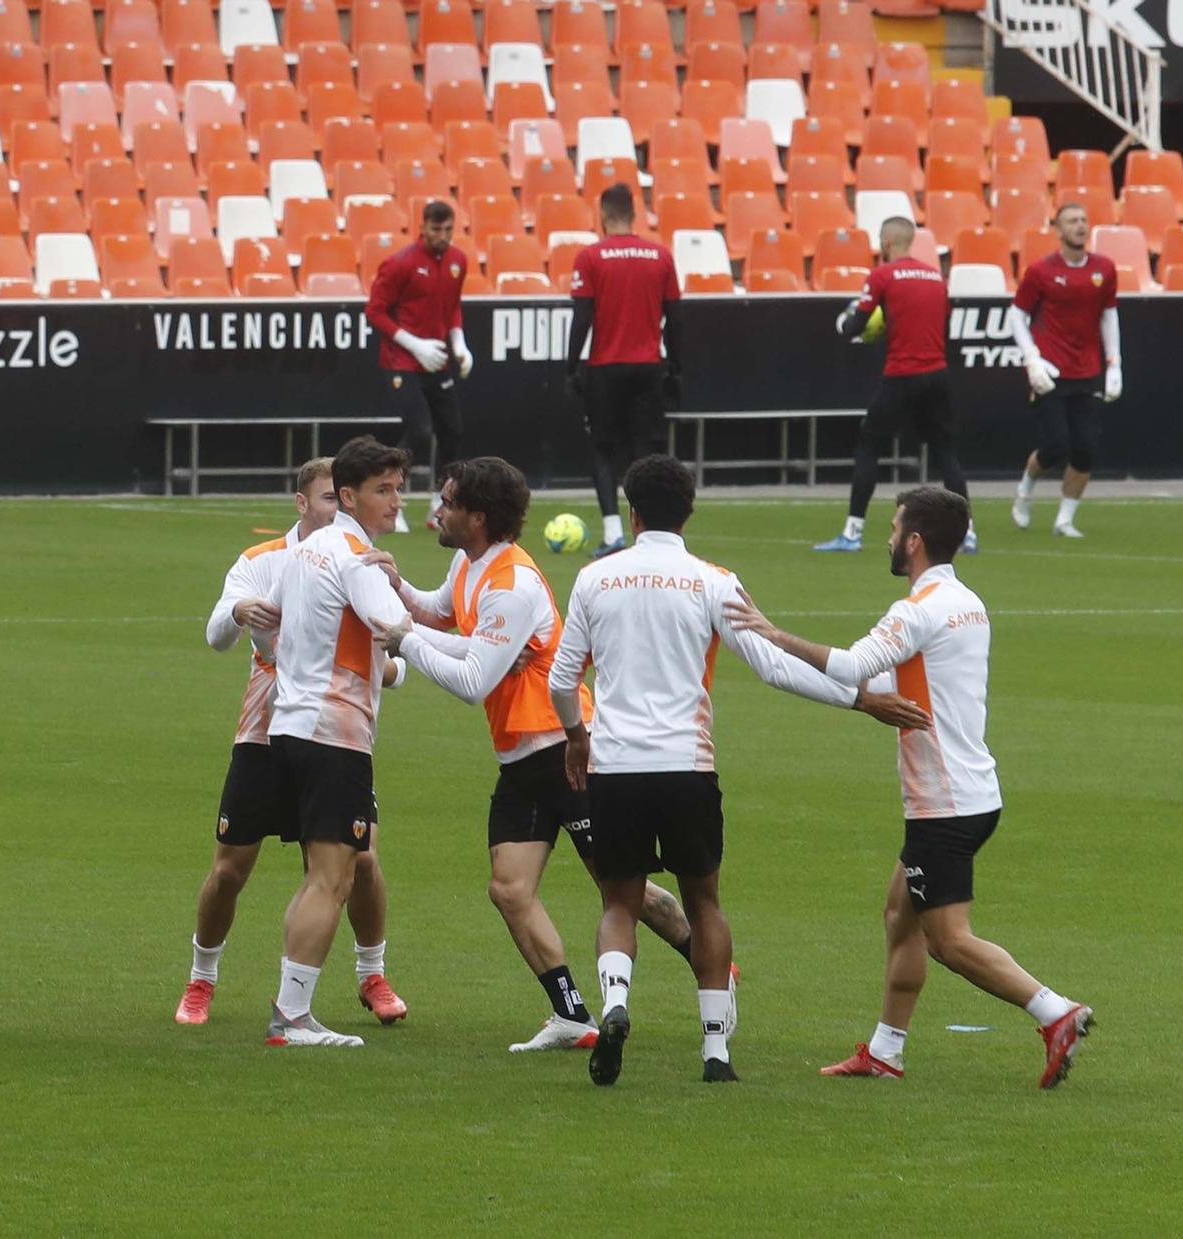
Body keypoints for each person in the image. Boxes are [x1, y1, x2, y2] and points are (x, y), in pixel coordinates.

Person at [547, 454, 929, 1085]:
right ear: (689, 512)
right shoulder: (714, 580)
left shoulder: (594, 579)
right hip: (688, 767)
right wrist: (861, 699)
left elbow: (564, 680)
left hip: (615, 765)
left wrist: (576, 739)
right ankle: (716, 1052)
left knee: (620, 899)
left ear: (632, 512)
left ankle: (615, 1007)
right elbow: (774, 666)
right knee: (704, 903)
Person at [725, 487, 1096, 1089]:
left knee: (948, 939)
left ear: (914, 541)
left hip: (943, 803)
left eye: (894, 527)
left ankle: (1056, 1013)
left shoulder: (916, 610)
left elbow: (851, 667)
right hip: (972, 792)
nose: (888, 537)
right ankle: (885, 1051)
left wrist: (771, 631)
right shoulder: (967, 602)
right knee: (901, 913)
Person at [370, 457, 710, 1054]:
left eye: (446, 503)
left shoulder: (513, 587)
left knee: (624, 891)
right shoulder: (469, 563)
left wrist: (407, 642)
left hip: (565, 751)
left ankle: (714, 972)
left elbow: (472, 678)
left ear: (478, 516)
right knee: (509, 889)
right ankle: (573, 1015)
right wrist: (398, 589)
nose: (435, 512)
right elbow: (443, 612)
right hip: (520, 760)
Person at [176, 459, 409, 1028]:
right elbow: (214, 636)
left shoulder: (353, 561)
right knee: (230, 870)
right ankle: (201, 980)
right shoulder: (266, 562)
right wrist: (236, 611)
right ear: (302, 504)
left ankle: (371, 973)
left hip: (329, 732)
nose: (336, 508)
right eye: (327, 498)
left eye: (340, 498)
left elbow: (390, 656)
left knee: (361, 863)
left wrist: (391, 667)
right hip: (264, 734)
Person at [257, 436, 415, 1048]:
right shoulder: (356, 557)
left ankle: (291, 1009)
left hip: (289, 728)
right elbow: (395, 631)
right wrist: (469, 655)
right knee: (332, 879)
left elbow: (266, 634)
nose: (396, 500)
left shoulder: (303, 552)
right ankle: (292, 1017)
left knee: (320, 877)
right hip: (336, 735)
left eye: (400, 487)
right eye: (383, 489)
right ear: (348, 496)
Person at [816, 217, 977, 556]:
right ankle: (969, 533)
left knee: (869, 446)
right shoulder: (936, 278)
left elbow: (855, 325)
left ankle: (852, 533)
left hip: (902, 375)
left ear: (887, 243)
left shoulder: (882, 276)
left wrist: (848, 322)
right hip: (937, 374)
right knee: (945, 452)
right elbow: (944, 328)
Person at [566, 182, 683, 559]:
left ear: (602, 214)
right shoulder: (660, 256)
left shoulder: (591, 257)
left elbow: (581, 317)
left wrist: (571, 366)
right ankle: (649, 535)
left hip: (605, 367)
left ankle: (613, 531)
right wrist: (677, 367)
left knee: (602, 450)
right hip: (649, 366)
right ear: (635, 214)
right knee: (644, 454)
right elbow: (676, 319)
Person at [1010, 202, 1121, 539]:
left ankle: (1064, 520)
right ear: (1058, 230)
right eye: (1072, 221)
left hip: (1087, 371)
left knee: (1086, 447)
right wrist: (1032, 358)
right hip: (1050, 371)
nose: (1080, 226)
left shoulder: (1104, 268)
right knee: (1056, 445)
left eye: (1084, 220)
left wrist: (1115, 363)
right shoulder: (1041, 271)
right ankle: (1025, 490)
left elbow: (1109, 315)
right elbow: (1017, 315)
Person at [366, 201, 473, 532]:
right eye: (435, 229)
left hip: (437, 359)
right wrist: (414, 343)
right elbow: (375, 311)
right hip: (402, 360)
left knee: (452, 430)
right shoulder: (400, 264)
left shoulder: (458, 261)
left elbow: (452, 307)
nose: (442, 236)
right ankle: (389, 501)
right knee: (420, 430)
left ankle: (438, 504)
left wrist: (459, 343)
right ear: (422, 227)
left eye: (447, 230)